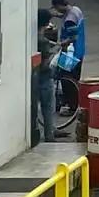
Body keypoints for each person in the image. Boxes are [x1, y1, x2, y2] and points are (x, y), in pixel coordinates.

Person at [50, 0, 86, 82]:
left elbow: (73, 38)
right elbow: (67, 15)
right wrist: (57, 15)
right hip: (80, 49)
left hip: (71, 54)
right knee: (76, 76)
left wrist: (60, 44)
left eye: (55, 7)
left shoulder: (69, 21)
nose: (56, 10)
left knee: (68, 78)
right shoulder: (76, 10)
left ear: (59, 5)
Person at [36, 9, 58, 142]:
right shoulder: (42, 42)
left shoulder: (33, 38)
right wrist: (53, 58)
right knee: (48, 107)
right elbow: (44, 64)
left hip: (33, 78)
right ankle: (49, 135)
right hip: (44, 78)